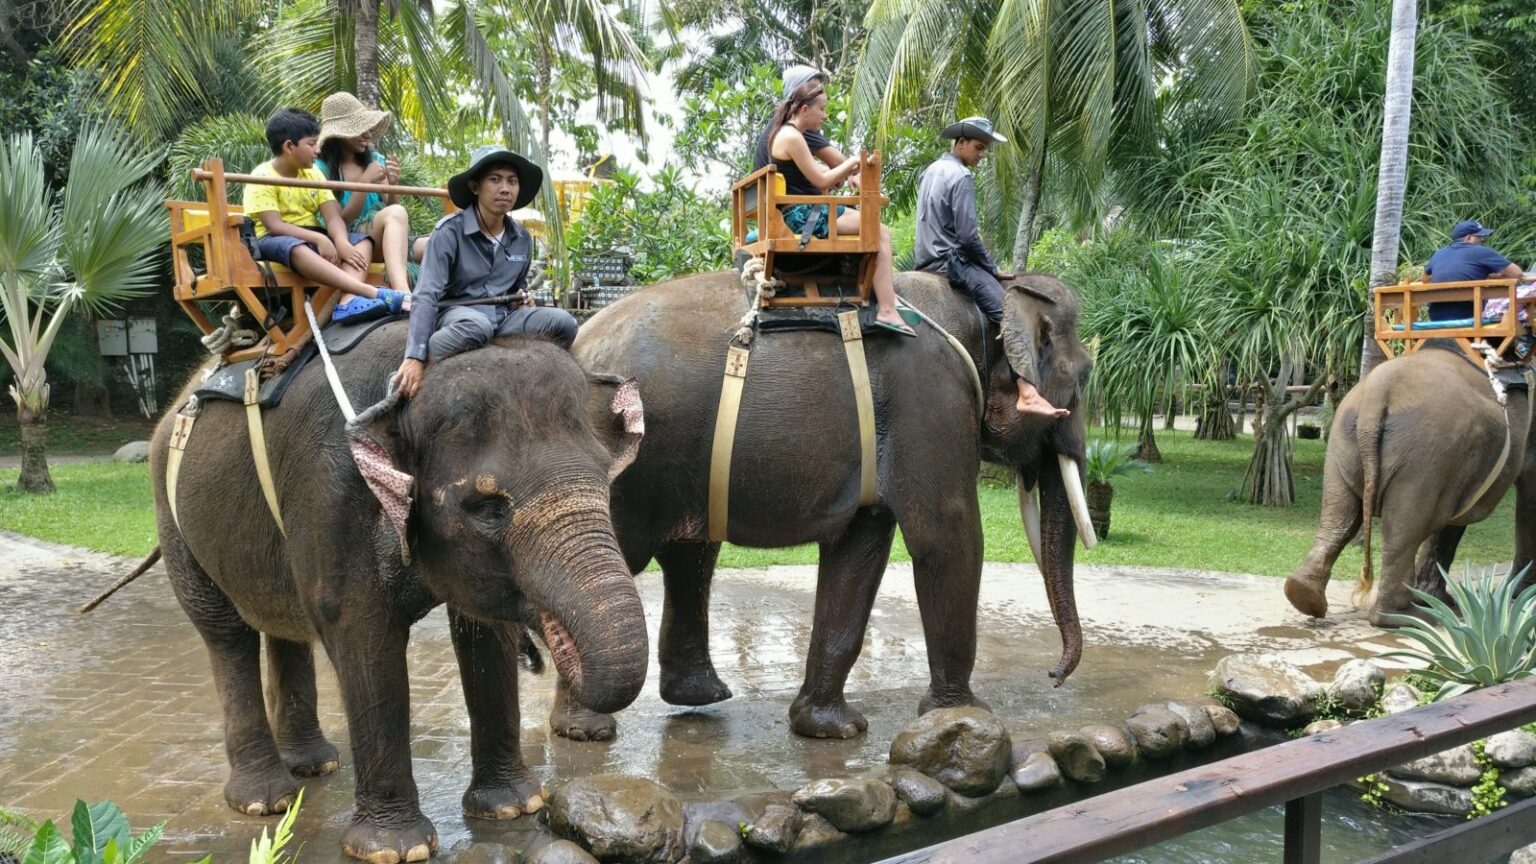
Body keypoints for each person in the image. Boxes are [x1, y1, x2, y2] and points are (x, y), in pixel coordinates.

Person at [393, 145, 579, 398]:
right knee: (476, 325)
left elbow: (518, 286)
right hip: (459, 318)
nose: (505, 188)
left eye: (512, 181)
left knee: (564, 322)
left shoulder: (522, 238)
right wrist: (414, 355)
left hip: (503, 320)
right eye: (495, 179)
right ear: (475, 187)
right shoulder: (449, 232)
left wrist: (523, 299)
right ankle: (433, 353)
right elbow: (426, 294)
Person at [915, 116, 1066, 417]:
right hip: (952, 263)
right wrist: (991, 267)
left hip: (925, 260)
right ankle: (1026, 391)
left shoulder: (931, 171)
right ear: (960, 143)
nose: (982, 155)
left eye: (984, 150)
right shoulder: (960, 176)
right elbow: (968, 235)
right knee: (1012, 312)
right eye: (979, 148)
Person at [754, 76, 913, 336]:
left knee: (869, 222)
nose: (824, 116)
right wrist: (853, 162)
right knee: (880, 231)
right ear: (804, 109)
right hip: (804, 216)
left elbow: (819, 179)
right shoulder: (792, 137)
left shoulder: (788, 134)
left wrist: (845, 171)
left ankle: (887, 298)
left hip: (806, 211)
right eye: (822, 109)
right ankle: (887, 308)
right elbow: (822, 179)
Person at [243, 108, 407, 322]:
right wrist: (319, 238)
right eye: (311, 144)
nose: (317, 150)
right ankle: (371, 292)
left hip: (310, 236)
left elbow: (333, 216)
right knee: (295, 247)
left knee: (361, 242)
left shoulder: (312, 173)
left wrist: (341, 241)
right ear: (289, 147)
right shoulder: (262, 176)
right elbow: (274, 226)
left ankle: (349, 302)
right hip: (271, 239)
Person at [314, 92, 429, 293]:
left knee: (437, 243)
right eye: (360, 129)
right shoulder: (320, 169)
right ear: (340, 135)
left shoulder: (375, 160)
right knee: (395, 214)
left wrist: (393, 185)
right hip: (349, 241)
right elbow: (340, 221)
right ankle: (402, 292)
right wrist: (365, 182)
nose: (368, 135)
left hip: (386, 239)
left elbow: (392, 208)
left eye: (367, 128)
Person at [1423, 219, 1525, 322]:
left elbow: (1425, 279)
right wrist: (1494, 276)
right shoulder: (1481, 251)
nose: (1483, 240)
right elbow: (1517, 273)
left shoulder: (1439, 253)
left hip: (1437, 317)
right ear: (1469, 238)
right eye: (1480, 236)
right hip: (1470, 317)